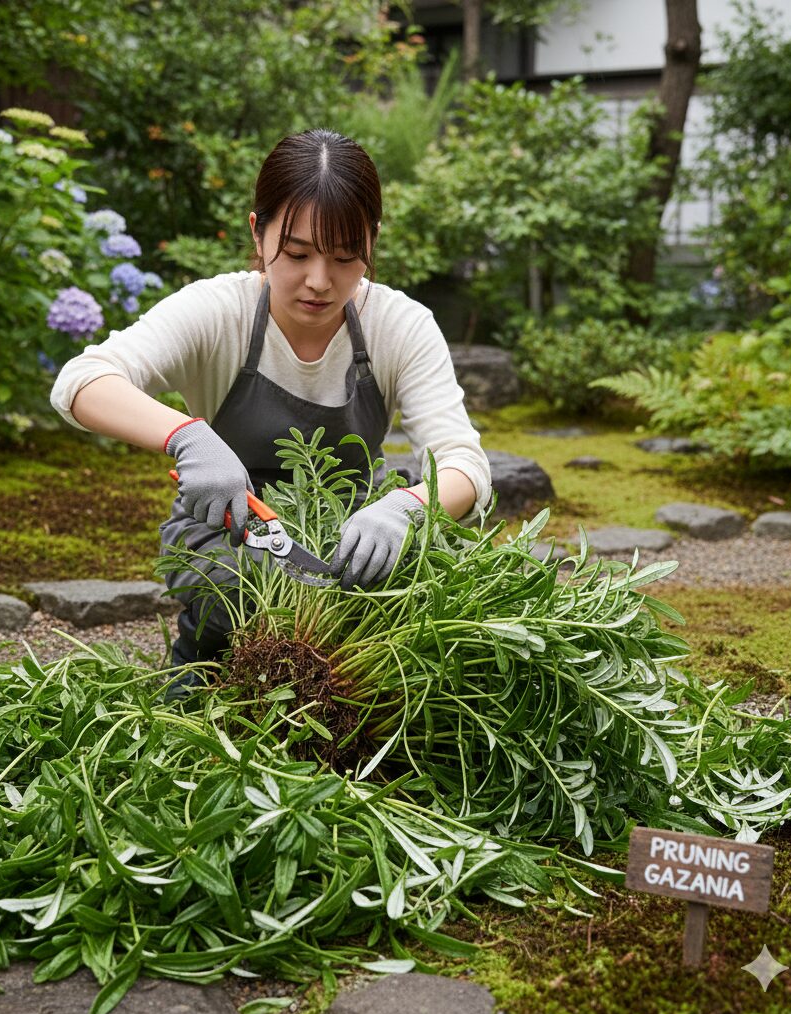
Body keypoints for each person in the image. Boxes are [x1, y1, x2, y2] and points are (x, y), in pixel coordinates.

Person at [50, 128, 492, 680]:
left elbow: (465, 465)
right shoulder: (217, 312)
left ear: (373, 242)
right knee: (222, 640)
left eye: (346, 257)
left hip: (352, 545)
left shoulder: (399, 326)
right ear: (258, 233)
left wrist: (406, 509)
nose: (319, 282)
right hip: (225, 547)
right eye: (298, 253)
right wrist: (187, 437)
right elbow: (82, 380)